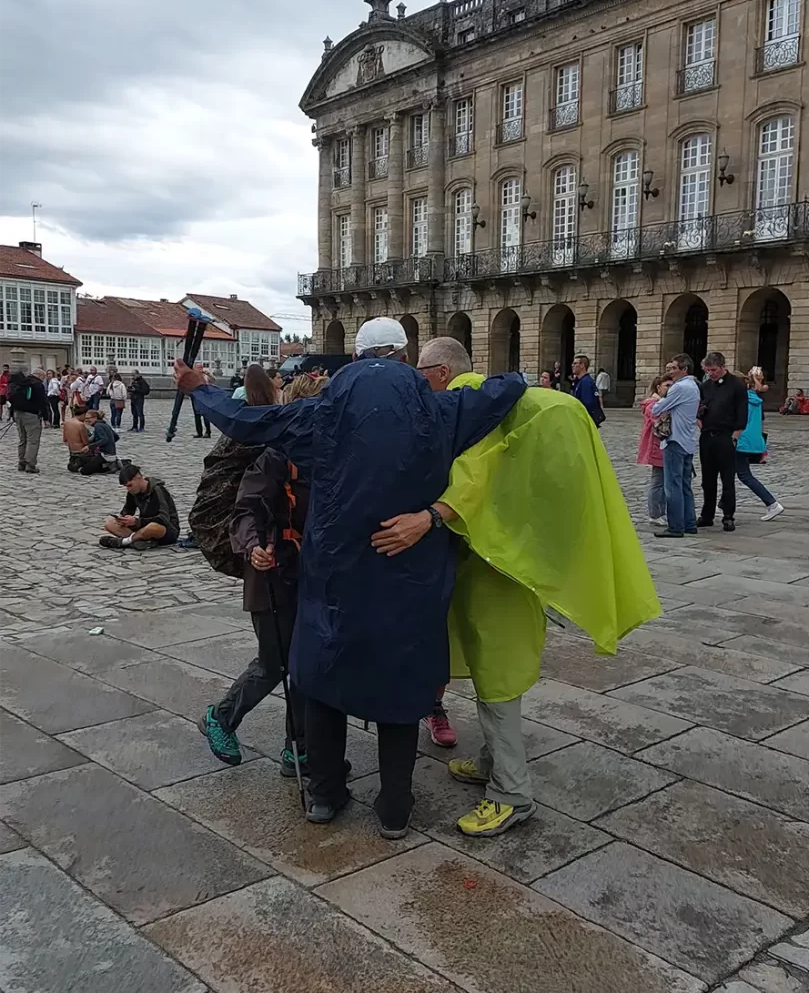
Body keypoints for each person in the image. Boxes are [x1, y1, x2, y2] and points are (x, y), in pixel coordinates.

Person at [175, 317, 527, 839]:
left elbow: (247, 422)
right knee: (402, 685)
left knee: (322, 677)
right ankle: (394, 808)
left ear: (356, 360)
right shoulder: (441, 410)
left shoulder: (321, 413)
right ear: (406, 360)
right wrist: (481, 380)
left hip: (335, 578)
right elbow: (510, 389)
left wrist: (200, 389)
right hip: (410, 575)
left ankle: (324, 794)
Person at [376, 336, 660, 836]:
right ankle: (492, 760)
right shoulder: (500, 404)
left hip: (494, 571)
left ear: (442, 372)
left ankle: (511, 793)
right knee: (494, 672)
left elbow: (476, 471)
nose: (417, 379)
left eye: (421, 369)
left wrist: (431, 516)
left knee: (499, 679)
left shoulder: (467, 409)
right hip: (506, 562)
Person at [197, 371, 327, 772]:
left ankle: (297, 746)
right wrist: (253, 548)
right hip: (269, 573)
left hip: (310, 574)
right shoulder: (272, 457)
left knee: (305, 662)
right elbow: (245, 510)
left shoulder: (327, 455)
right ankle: (220, 717)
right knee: (276, 663)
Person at [650, 354, 701, 539]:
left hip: (675, 440)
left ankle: (675, 527)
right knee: (685, 485)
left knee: (672, 486)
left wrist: (659, 398)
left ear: (684, 369)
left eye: (673, 368)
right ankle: (689, 523)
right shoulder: (694, 385)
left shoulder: (679, 387)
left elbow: (656, 409)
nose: (669, 371)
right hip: (687, 440)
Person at [697, 351, 748, 533]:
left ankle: (728, 515)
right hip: (707, 436)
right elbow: (701, 406)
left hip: (726, 435)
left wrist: (736, 435)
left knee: (727, 479)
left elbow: (742, 412)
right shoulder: (705, 386)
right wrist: (699, 418)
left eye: (714, 370)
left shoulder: (736, 386)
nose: (711, 373)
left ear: (722, 366)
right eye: (708, 370)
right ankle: (707, 514)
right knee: (707, 479)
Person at [735, 375, 784, 521]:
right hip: (753, 440)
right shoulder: (753, 397)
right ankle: (723, 504)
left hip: (742, 440)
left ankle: (772, 503)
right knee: (732, 471)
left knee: (744, 474)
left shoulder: (741, 400)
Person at [99, 465, 180, 550]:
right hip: (143, 528)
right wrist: (123, 519)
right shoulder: (133, 492)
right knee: (110, 523)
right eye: (126, 486)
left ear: (138, 477)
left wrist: (138, 522)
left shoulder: (158, 490)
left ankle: (125, 542)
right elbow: (128, 510)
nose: (128, 489)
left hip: (166, 530)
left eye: (130, 485)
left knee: (152, 527)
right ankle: (141, 541)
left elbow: (164, 519)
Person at [637, 374, 672, 526]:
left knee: (663, 480)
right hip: (656, 446)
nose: (670, 389)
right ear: (658, 387)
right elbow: (658, 420)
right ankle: (655, 513)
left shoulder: (660, 402)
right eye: (667, 386)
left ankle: (660, 511)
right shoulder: (653, 404)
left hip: (662, 446)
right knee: (658, 481)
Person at [8, 370, 46, 473]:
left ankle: (21, 463)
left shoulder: (20, 383)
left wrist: (12, 415)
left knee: (22, 439)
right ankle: (30, 464)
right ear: (40, 375)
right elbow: (43, 402)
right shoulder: (37, 385)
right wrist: (46, 418)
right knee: (32, 440)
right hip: (31, 415)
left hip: (18, 413)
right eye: (44, 377)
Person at [571, 355, 603, 426]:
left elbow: (587, 404)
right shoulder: (580, 381)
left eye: (575, 363)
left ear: (582, 365)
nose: (572, 365)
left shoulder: (586, 382)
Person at [64, 405, 97, 473]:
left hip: (72, 451)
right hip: (81, 452)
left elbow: (65, 439)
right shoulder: (80, 425)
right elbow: (86, 442)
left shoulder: (66, 423)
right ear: (83, 414)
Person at [193, 362, 212, 438]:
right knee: (197, 415)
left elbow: (214, 381)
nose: (200, 369)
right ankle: (199, 432)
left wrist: (209, 375)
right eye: (198, 367)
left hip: (205, 397)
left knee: (206, 415)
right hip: (196, 397)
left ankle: (208, 432)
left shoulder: (205, 376)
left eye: (201, 367)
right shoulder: (193, 377)